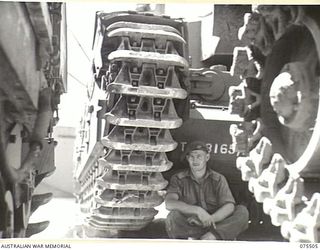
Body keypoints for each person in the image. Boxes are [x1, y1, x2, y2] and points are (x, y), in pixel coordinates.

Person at [165, 141, 249, 240]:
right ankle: (209, 237)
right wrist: (197, 211)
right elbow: (169, 203)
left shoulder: (218, 179)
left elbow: (229, 206)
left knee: (242, 212)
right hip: (191, 223)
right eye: (191, 157)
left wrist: (210, 219)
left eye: (199, 156)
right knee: (173, 217)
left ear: (207, 158)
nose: (195, 160)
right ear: (187, 159)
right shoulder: (179, 179)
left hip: (216, 222)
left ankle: (212, 236)